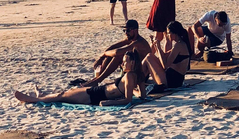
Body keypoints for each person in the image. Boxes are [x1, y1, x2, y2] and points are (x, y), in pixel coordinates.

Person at [14, 48, 146, 105]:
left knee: (62, 96)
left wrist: (109, 102)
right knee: (65, 93)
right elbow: (142, 95)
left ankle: (33, 99)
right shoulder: (136, 75)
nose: (122, 63)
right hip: (97, 91)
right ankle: (41, 96)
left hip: (95, 96)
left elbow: (128, 100)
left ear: (133, 62)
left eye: (125, 61)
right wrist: (133, 91)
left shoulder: (129, 76)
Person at [91, 19, 150, 85]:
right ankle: (97, 79)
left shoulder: (139, 42)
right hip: (132, 71)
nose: (126, 33)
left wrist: (104, 54)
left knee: (118, 56)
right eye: (124, 30)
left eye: (128, 30)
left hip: (141, 75)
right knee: (110, 55)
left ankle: (98, 80)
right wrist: (101, 58)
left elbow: (117, 52)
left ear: (135, 30)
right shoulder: (131, 39)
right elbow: (113, 47)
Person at [142, 21, 191, 91]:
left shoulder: (179, 45)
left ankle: (136, 80)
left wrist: (158, 47)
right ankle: (138, 80)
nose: (167, 35)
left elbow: (165, 65)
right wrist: (155, 45)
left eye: (168, 33)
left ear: (173, 33)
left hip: (172, 81)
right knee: (149, 56)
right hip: (174, 79)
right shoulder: (180, 44)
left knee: (149, 58)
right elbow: (164, 55)